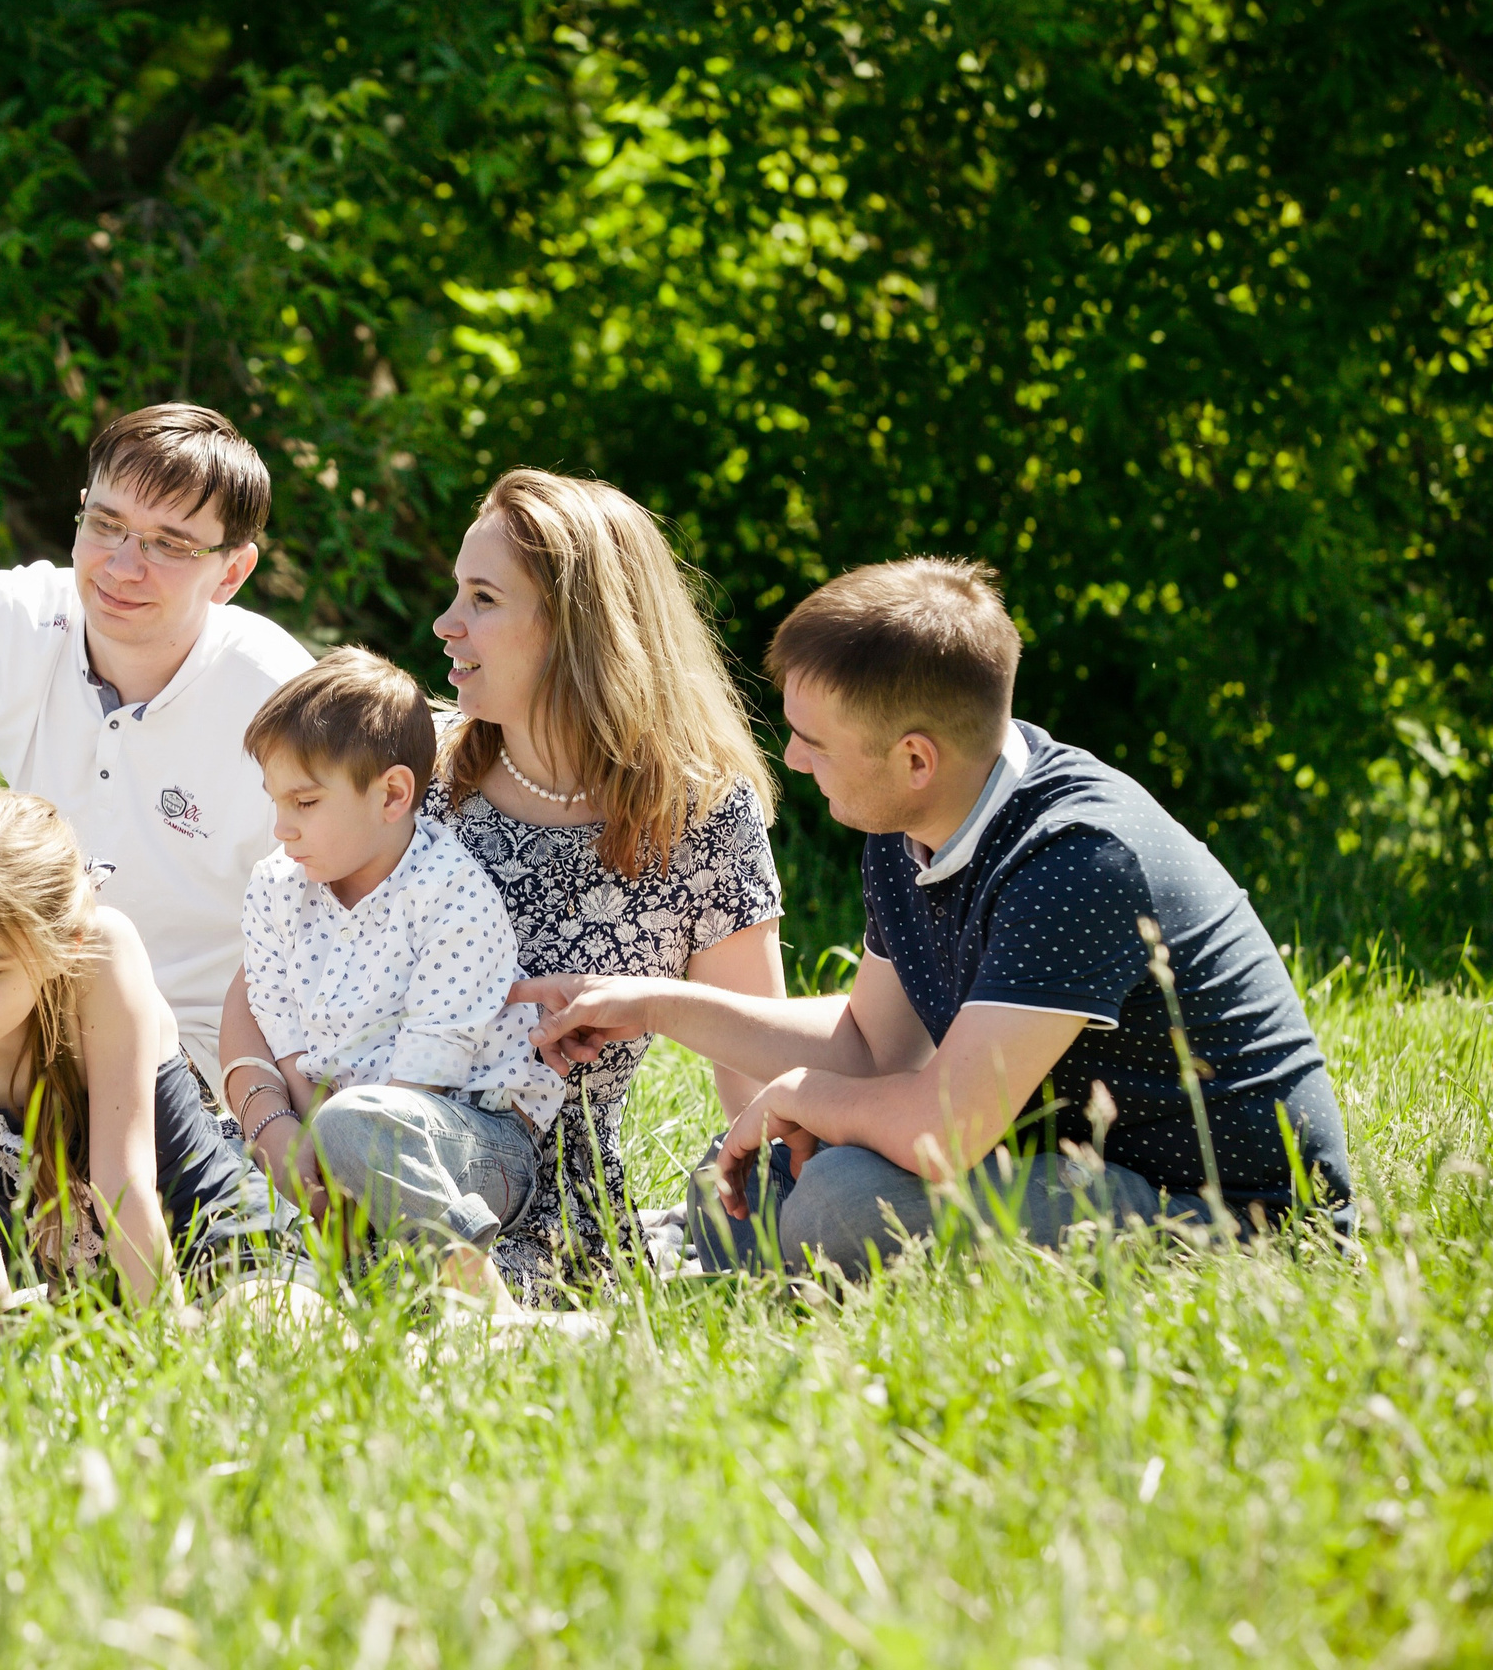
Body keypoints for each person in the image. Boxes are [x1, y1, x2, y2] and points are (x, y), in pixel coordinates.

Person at [513, 557, 1357, 1275]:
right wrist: (653, 1004)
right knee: (735, 1192)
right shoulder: (909, 823)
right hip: (1054, 1159)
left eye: (815, 741)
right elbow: (872, 1045)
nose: (793, 759)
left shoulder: (1077, 858)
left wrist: (808, 1095)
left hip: (1227, 1212)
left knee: (839, 1205)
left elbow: (940, 1133)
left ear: (915, 758)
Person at [221, 469, 787, 1299]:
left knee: (375, 1297)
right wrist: (277, 1132)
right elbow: (267, 976)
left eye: (483, 599)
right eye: (458, 592)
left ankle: (461, 1291)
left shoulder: (698, 816)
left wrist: (779, 1225)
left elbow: (757, 1059)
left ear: (577, 626)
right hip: (314, 1144)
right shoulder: (414, 773)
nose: (445, 623)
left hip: (529, 1206)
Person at [0, 404, 311, 1081]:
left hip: (198, 1062)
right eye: (106, 524)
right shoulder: (10, 621)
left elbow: (341, 928)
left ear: (231, 572)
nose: (123, 566)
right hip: (15, 1026)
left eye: (169, 545)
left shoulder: (283, 704)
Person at [0, 788, 312, 1314]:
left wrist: (172, 1340)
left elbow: (120, 1184)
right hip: (87, 1298)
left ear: (63, 945)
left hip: (218, 1243)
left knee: (261, 1329)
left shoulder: (101, 952)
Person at [232, 648, 563, 1306]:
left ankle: (480, 1296)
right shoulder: (276, 886)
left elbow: (426, 1072)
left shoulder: (451, 896)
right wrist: (306, 1141)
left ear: (391, 795)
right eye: (275, 801)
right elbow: (279, 1023)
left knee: (358, 1126)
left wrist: (337, 1144)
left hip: (469, 1136)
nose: (282, 828)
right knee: (223, 1161)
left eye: (305, 801)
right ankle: (327, 1273)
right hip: (337, 1120)